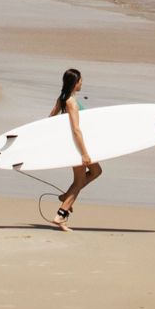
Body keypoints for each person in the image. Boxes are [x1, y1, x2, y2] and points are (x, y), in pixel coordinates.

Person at [49, 67, 101, 229]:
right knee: (79, 182)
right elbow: (76, 129)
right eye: (80, 80)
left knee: (96, 171)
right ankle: (61, 215)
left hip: (73, 145)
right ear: (75, 83)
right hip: (77, 147)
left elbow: (50, 119)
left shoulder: (62, 98)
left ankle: (66, 196)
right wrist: (84, 153)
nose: (82, 83)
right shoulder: (71, 102)